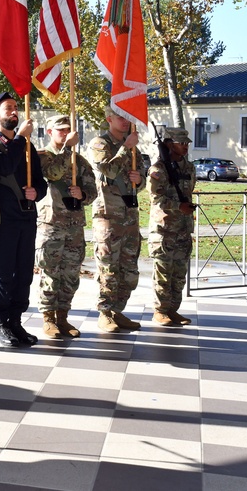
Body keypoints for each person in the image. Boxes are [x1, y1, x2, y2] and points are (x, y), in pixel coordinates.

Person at [0, 92, 47, 347]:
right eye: (8, 108)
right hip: (2, 221)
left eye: (16, 108)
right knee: (3, 273)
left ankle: (16, 320)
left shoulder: (27, 146)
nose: (14, 112)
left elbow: (41, 182)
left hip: (27, 218)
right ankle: (0, 321)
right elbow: (5, 166)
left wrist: (36, 192)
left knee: (24, 274)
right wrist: (20, 138)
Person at [35, 115, 96, 338]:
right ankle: (48, 318)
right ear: (49, 132)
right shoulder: (42, 156)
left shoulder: (80, 161)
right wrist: (67, 149)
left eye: (68, 130)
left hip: (74, 224)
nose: (65, 133)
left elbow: (93, 189)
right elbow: (53, 173)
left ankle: (63, 316)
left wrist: (84, 194)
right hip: (51, 224)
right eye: (60, 130)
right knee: (50, 272)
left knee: (71, 273)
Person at [89, 105, 146, 333]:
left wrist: (138, 179)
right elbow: (108, 171)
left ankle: (117, 310)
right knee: (109, 268)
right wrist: (126, 148)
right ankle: (105, 313)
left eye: (127, 117)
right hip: (109, 218)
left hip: (129, 217)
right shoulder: (100, 144)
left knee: (129, 270)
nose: (124, 121)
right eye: (120, 116)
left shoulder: (134, 149)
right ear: (109, 118)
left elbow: (140, 180)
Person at [147, 127, 196, 326]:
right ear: (168, 144)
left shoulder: (188, 167)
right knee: (163, 272)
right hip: (165, 229)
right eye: (180, 143)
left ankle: (173, 309)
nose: (184, 146)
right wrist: (179, 207)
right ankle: (160, 311)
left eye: (186, 143)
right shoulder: (159, 169)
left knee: (179, 273)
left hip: (183, 228)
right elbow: (156, 199)